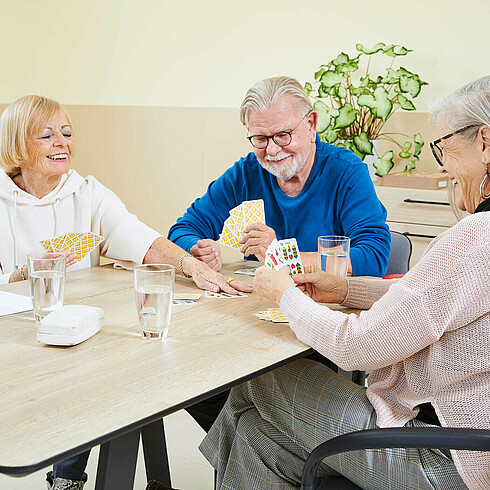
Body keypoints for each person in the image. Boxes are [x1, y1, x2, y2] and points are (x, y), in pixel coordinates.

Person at [200, 76, 490, 489]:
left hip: (447, 458)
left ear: (485, 142)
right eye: (260, 138)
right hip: (465, 444)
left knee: (258, 383)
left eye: (443, 148)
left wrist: (284, 294)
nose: (441, 165)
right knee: (255, 435)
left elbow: (356, 346)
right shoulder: (479, 238)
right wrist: (345, 290)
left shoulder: (477, 235)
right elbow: (437, 299)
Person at [0, 95, 251, 490]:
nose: (62, 143)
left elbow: (139, 237)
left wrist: (190, 265)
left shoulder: (87, 192)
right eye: (47, 135)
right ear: (17, 143)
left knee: (109, 368)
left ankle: (66, 479)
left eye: (66, 133)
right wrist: (21, 274)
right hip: (13, 341)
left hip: (73, 332)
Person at [168, 76, 391, 277]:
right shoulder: (247, 172)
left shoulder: (347, 172)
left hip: (327, 311)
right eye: (260, 138)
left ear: (311, 124)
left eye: (283, 135)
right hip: (261, 304)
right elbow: (183, 229)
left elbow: (374, 255)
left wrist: (281, 255)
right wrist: (196, 250)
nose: (272, 151)